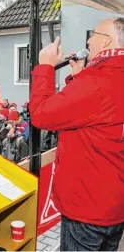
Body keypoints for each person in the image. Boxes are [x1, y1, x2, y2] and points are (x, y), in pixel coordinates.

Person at [29, 18, 124, 251]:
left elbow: (41, 115)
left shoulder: (97, 82)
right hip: (115, 205)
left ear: (108, 40)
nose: (89, 40)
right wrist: (80, 75)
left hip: (87, 209)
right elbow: (96, 113)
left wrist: (45, 67)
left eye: (94, 34)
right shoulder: (107, 78)